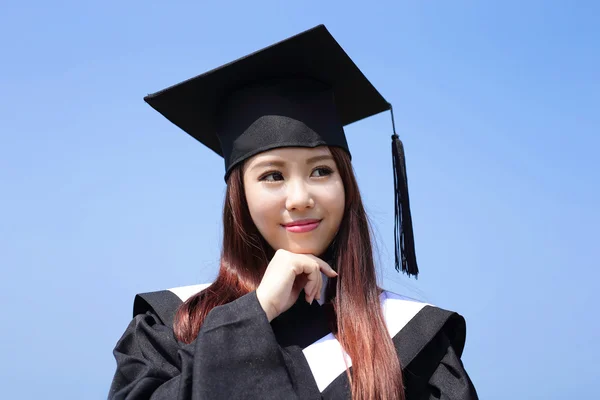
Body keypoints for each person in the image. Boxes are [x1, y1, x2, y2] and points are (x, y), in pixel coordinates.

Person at [108, 25, 478, 400]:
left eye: (321, 170)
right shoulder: (170, 328)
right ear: (240, 197)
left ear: (347, 186)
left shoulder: (414, 340)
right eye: (272, 175)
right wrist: (254, 314)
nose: (300, 197)